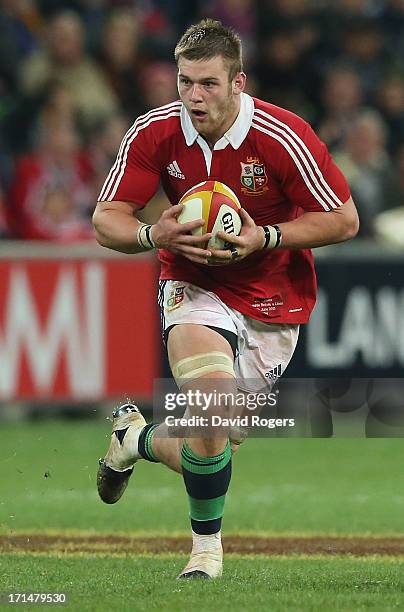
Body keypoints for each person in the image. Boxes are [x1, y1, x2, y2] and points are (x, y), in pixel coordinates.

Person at [93, 18, 359, 579]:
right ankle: (205, 553)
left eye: (208, 83)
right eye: (185, 81)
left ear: (238, 84)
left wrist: (268, 236)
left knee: (209, 445)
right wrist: (152, 235)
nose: (193, 96)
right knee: (211, 407)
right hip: (193, 286)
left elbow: (344, 218)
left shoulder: (283, 135)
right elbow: (105, 219)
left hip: (271, 299)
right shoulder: (154, 133)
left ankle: (133, 438)